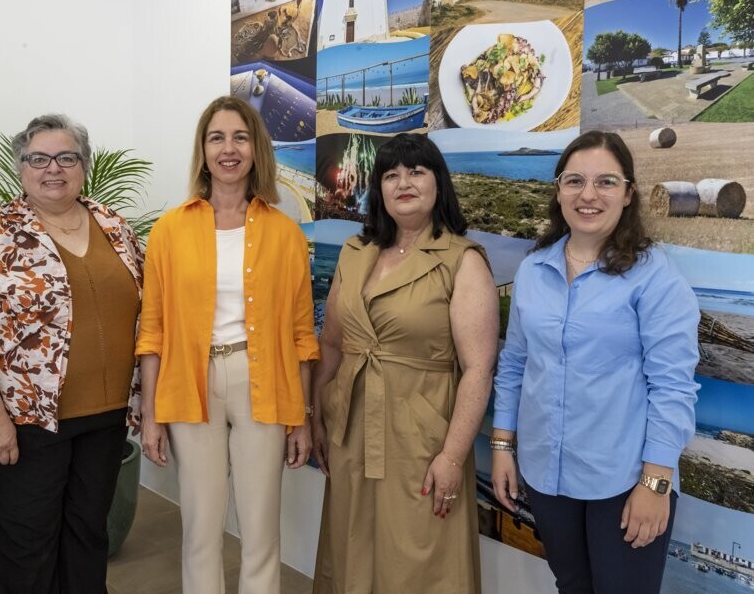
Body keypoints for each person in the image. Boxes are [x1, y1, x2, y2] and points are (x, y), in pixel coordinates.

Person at [0, 114, 144, 593]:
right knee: (26, 547)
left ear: (84, 165)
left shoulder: (114, 225)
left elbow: (147, 310)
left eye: (67, 157)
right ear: (21, 169)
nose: (54, 168)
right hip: (22, 421)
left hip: (105, 416)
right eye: (38, 159)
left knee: (88, 536)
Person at [491, 130, 700, 594]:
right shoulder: (534, 268)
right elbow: (515, 363)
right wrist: (503, 447)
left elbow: (673, 388)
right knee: (572, 586)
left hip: (626, 481)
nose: (588, 195)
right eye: (574, 181)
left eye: (605, 182)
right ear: (558, 190)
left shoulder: (655, 278)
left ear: (628, 194)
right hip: (547, 475)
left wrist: (656, 482)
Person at [137, 95, 318, 594]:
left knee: (261, 529)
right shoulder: (170, 230)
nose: (228, 148)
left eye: (240, 137)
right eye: (216, 137)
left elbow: (304, 334)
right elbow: (152, 330)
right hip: (190, 384)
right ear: (203, 150)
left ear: (256, 148)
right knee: (200, 526)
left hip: (263, 383)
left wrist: (301, 416)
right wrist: (151, 414)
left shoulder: (286, 234)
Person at [311, 133, 498, 593]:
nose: (403, 182)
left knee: (419, 559)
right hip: (351, 424)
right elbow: (332, 343)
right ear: (378, 189)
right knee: (352, 544)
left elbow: (478, 368)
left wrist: (454, 456)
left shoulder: (462, 260)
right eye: (391, 174)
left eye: (416, 171)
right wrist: (315, 413)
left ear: (439, 183)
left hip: (422, 434)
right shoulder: (356, 253)